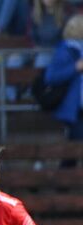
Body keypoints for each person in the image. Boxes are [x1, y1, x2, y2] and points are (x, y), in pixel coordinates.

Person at [44, 14, 83, 154]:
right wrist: (75, 67)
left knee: (74, 148)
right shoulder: (66, 50)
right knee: (74, 147)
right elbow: (52, 77)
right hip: (75, 108)